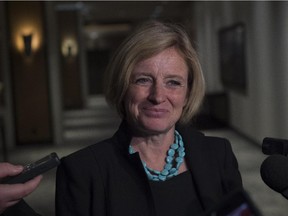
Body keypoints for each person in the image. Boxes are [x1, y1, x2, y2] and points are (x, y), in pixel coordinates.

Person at [56, 20, 243, 216]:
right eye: (143, 80)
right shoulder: (82, 171)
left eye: (173, 82)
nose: (158, 96)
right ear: (123, 87)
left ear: (187, 93)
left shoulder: (218, 155)